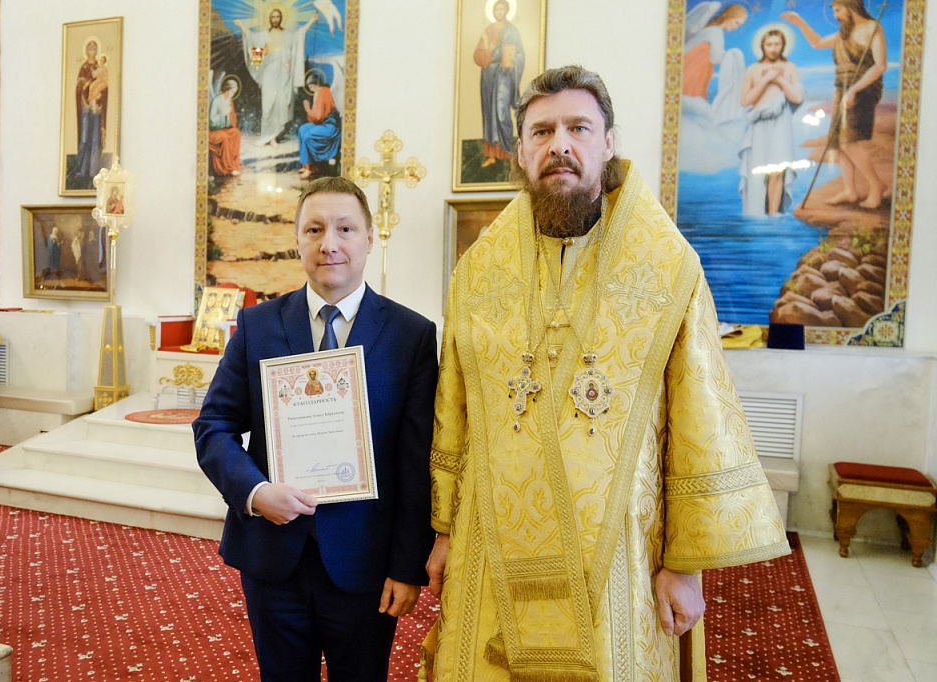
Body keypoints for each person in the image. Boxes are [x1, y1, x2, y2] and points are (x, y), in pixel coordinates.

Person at [423, 65, 789, 680]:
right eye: (542, 131)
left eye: (578, 128)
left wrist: (686, 565)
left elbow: (698, 419)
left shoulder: (667, 266)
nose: (559, 145)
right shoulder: (478, 271)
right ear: (520, 150)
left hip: (621, 550)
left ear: (608, 142)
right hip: (490, 545)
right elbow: (453, 409)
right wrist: (443, 530)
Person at [193, 176, 438, 682]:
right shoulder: (257, 325)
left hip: (366, 564)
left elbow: (416, 461)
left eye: (345, 229)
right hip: (273, 558)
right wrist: (255, 492)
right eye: (315, 229)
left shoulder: (411, 335)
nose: (330, 244)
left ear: (369, 238)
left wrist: (406, 566)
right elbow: (213, 426)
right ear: (298, 240)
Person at [783, 0, 888, 209]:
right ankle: (850, 191)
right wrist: (800, 23)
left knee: (848, 142)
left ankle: (876, 185)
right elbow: (817, 43)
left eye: (838, 10)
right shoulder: (843, 35)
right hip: (842, 89)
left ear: (851, 7)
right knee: (837, 143)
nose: (836, 15)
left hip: (863, 89)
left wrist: (854, 89)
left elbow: (880, 66)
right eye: (833, 11)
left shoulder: (872, 28)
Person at [739, 27, 804, 215]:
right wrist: (767, 78)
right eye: (769, 44)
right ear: (762, 46)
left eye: (777, 44)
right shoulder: (753, 70)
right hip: (758, 125)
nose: (773, 49)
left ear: (783, 45)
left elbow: (797, 97)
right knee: (758, 172)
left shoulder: (790, 68)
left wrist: (780, 78)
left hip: (781, 124)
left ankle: (774, 217)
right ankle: (757, 215)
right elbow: (745, 100)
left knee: (778, 170)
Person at [235, 9, 318, 146]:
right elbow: (250, 36)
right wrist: (241, 25)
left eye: (277, 16)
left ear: (281, 18)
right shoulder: (263, 35)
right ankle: (266, 135)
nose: (275, 19)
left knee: (280, 104)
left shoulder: (288, 34)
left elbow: (300, 33)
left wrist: (311, 21)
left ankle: (273, 137)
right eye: (273, 17)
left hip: (283, 72)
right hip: (268, 71)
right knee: (267, 104)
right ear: (269, 19)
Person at [472, 0, 525, 169]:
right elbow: (478, 53)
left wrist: (512, 61)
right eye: (496, 9)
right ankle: (492, 155)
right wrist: (485, 54)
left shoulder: (512, 30)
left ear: (507, 11)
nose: (498, 12)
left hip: (504, 74)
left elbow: (520, 54)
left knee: (502, 113)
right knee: (489, 114)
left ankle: (508, 153)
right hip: (488, 75)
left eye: (501, 9)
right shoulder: (488, 31)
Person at [683, 3, 747, 99]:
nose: (736, 27)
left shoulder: (713, 30)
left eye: (739, 25)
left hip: (695, 71)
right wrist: (733, 55)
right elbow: (715, 58)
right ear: (729, 17)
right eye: (736, 22)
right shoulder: (715, 32)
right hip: (692, 72)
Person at [73, 40, 107, 181]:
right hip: (85, 107)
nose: (92, 51)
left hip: (96, 107)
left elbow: (105, 86)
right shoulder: (84, 67)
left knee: (95, 137)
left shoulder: (100, 67)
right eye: (90, 48)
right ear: (86, 51)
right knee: (84, 137)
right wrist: (84, 88)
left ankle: (94, 170)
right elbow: (79, 87)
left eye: (94, 48)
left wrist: (99, 93)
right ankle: (82, 169)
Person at [297, 72, 340, 179]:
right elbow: (316, 118)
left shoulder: (323, 93)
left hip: (330, 127)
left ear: (315, 84)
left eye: (311, 87)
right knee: (302, 129)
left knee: (307, 136)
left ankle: (310, 169)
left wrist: (308, 109)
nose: (311, 90)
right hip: (322, 123)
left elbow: (318, 117)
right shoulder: (319, 92)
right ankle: (306, 165)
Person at [208, 76, 242, 177]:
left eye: (234, 93)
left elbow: (231, 124)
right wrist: (222, 114)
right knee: (224, 137)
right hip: (213, 132)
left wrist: (231, 116)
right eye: (231, 92)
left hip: (225, 129)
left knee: (236, 133)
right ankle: (229, 168)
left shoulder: (229, 102)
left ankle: (234, 165)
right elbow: (211, 121)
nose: (232, 95)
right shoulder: (216, 100)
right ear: (227, 89)